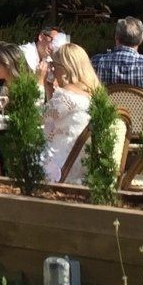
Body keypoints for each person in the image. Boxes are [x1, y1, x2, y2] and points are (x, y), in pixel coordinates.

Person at [40, 44, 99, 184]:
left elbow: (38, 118)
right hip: (81, 165)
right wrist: (49, 90)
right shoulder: (91, 95)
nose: (52, 72)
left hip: (60, 167)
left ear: (65, 69)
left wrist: (39, 81)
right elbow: (55, 115)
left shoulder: (67, 95)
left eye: (54, 67)